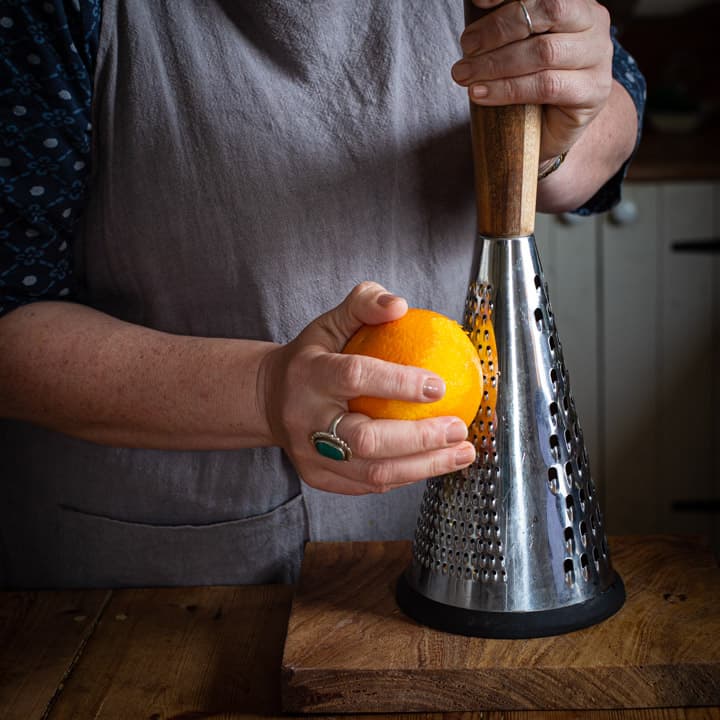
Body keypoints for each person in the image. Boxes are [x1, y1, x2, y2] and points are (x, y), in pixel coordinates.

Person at [0, 0, 645, 588]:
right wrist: (264, 390)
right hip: (147, 589)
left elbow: (610, 116)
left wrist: (555, 137)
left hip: (459, 542)